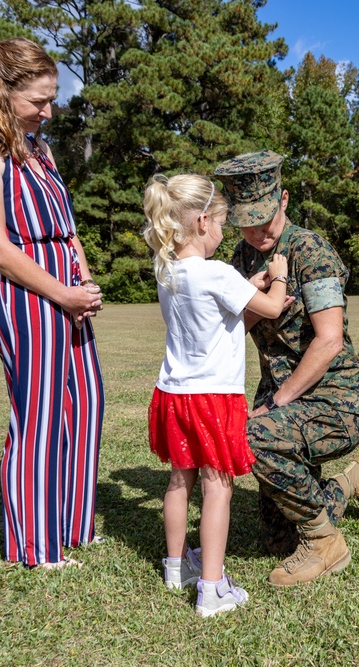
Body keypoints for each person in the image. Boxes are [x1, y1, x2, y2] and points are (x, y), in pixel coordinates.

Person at [0, 38, 104, 569]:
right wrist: (60, 291)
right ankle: (36, 547)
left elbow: (66, 226)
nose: (49, 110)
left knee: (86, 405)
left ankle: (74, 526)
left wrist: (83, 282)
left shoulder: (39, 147)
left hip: (67, 289)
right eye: (37, 101)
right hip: (24, 293)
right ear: (2, 92)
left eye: (52, 97)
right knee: (40, 416)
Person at [216, 150, 359, 587]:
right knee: (274, 540)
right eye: (245, 222)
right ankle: (355, 480)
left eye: (264, 219)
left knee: (255, 436)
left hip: (336, 399)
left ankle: (325, 543)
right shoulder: (242, 259)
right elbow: (235, 325)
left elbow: (329, 340)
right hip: (283, 399)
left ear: (285, 200)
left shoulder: (310, 249)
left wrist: (276, 401)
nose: (256, 232)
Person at [142, 173, 291, 617]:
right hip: (214, 399)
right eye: (224, 223)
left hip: (174, 393)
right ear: (204, 221)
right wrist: (278, 278)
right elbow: (269, 309)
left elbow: (225, 324)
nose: (226, 233)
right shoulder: (218, 273)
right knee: (218, 488)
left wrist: (252, 284)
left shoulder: (166, 270)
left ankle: (176, 567)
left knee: (178, 480)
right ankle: (211, 588)